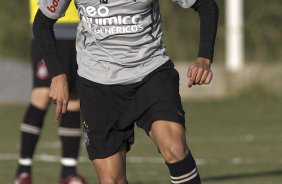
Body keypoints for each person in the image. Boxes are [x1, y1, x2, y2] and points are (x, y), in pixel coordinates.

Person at [32, 0, 218, 183]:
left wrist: (204, 58)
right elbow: (42, 23)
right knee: (112, 179)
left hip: (150, 73)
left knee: (175, 147)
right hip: (97, 83)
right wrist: (57, 75)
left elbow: (206, 5)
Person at [14, 0, 88, 184]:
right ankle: (23, 170)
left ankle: (68, 173)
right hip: (47, 26)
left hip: (81, 27)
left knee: (73, 99)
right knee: (41, 95)